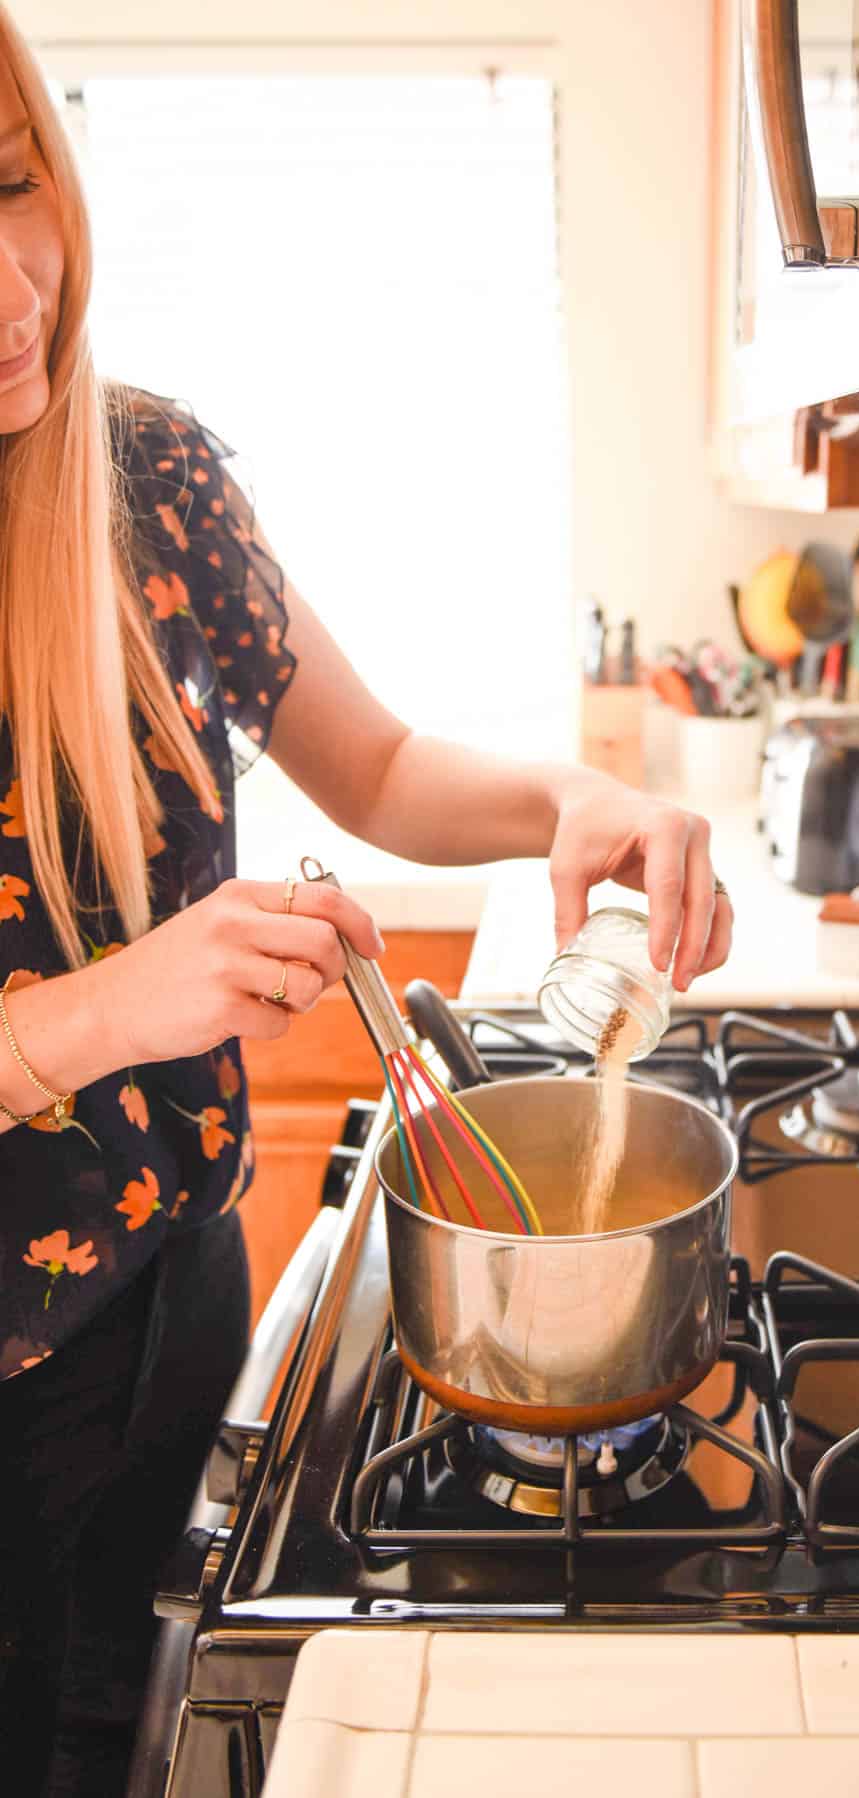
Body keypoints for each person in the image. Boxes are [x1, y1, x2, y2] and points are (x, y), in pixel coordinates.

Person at [0, 11, 732, 1794]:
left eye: (13, 185)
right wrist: (111, 1009)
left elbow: (381, 769)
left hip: (181, 1279)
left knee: (128, 1732)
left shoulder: (142, 478)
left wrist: (580, 791)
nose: (12, 281)